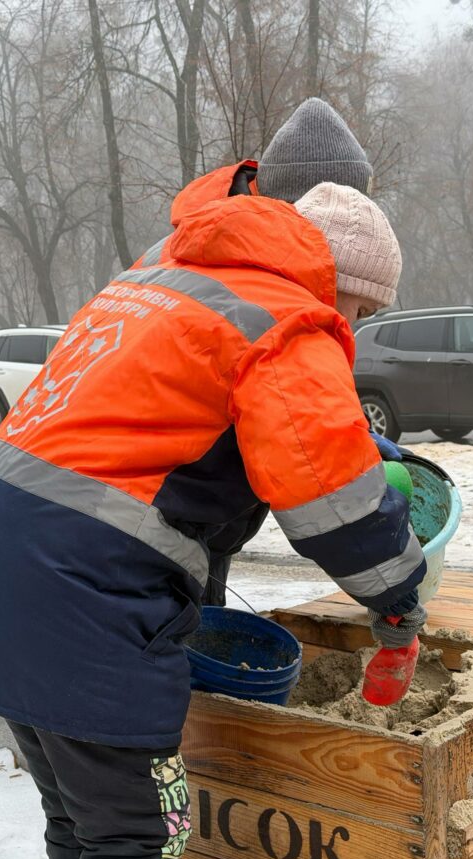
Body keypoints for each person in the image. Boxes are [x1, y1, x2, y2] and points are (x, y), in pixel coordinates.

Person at [0, 182, 425, 859]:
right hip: (80, 595)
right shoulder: (291, 317)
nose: (355, 330)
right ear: (335, 278)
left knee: (85, 822)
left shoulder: (166, 277)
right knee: (144, 829)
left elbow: (172, 437)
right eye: (362, 308)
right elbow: (338, 502)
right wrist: (399, 598)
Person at [135, 97, 376, 606]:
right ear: (316, 210)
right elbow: (310, 465)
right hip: (152, 515)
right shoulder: (257, 275)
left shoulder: (206, 243)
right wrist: (395, 594)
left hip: (175, 511)